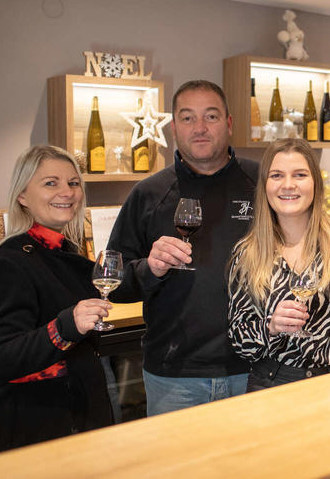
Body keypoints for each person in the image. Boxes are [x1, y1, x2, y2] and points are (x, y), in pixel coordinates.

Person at [108, 80, 258, 415]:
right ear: (174, 127)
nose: (200, 128)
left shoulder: (262, 182)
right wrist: (150, 268)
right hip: (174, 378)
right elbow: (112, 283)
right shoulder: (148, 193)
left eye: (211, 116)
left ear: (229, 123)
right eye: (188, 118)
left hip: (254, 368)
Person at [0, 145, 113, 453]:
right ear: (22, 195)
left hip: (80, 417)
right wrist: (65, 326)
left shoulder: (61, 251)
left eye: (73, 183)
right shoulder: (8, 263)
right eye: (51, 183)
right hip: (37, 429)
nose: (67, 192)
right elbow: (1, 358)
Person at [228, 138, 330, 391]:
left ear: (315, 183)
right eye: (277, 175)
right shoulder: (247, 253)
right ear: (265, 186)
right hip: (270, 386)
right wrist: (271, 327)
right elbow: (239, 339)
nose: (288, 185)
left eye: (299, 175)